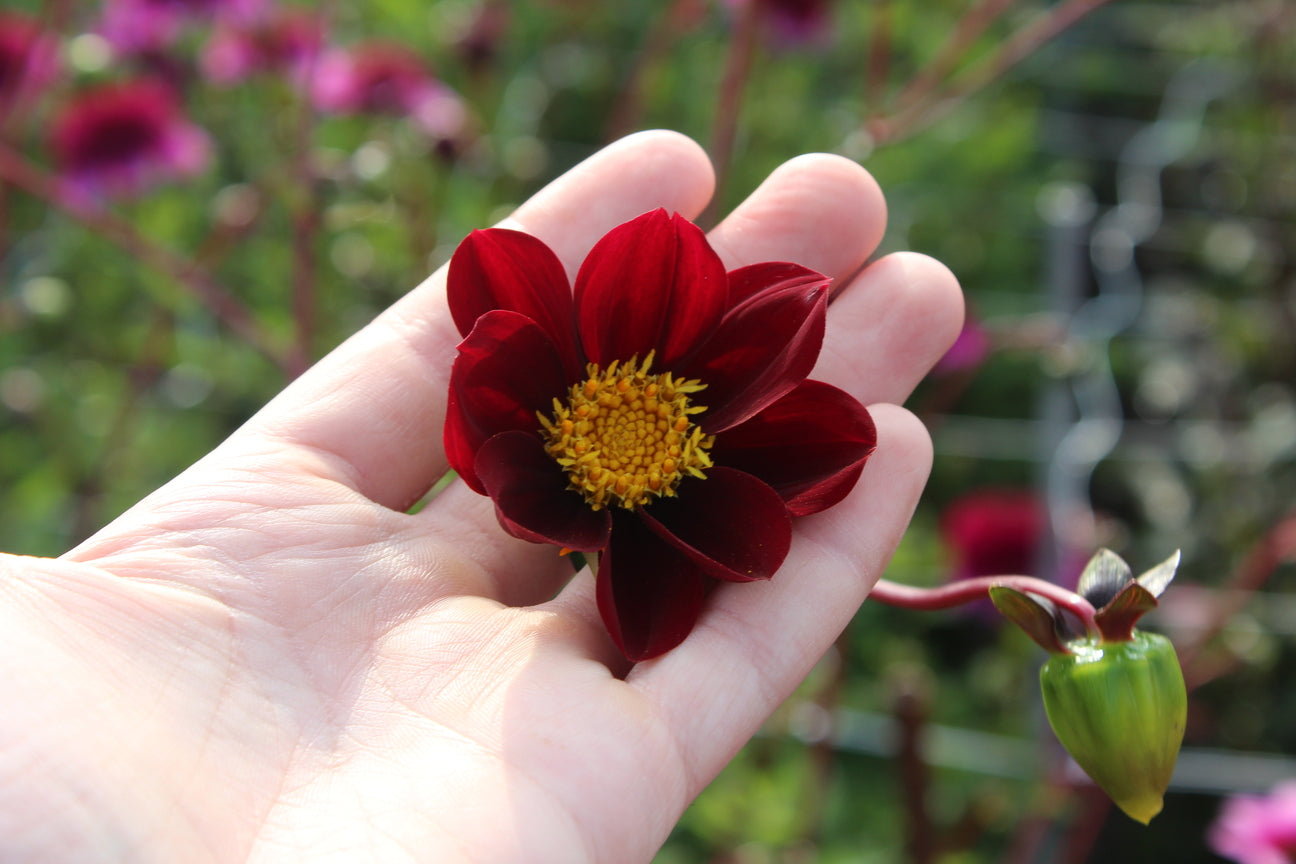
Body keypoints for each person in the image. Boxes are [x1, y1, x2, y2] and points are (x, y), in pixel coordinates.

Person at [0, 130, 962, 862]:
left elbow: (773, 513)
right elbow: (509, 320)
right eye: (621, 421)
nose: (630, 436)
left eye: (647, 428)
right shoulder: (529, 453)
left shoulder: (712, 509)